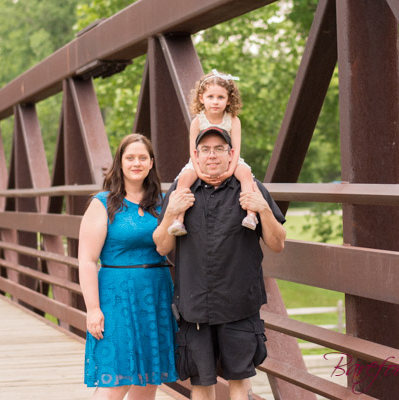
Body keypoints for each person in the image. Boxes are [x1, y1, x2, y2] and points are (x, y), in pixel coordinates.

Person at [153, 127, 286, 400]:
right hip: (194, 306)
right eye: (205, 150)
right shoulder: (181, 190)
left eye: (219, 149)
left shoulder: (251, 188)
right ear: (196, 155)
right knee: (201, 383)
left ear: (231, 154)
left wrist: (262, 209)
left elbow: (277, 243)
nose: (212, 155)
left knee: (239, 380)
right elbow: (162, 246)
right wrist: (171, 213)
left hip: (239, 304)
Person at [78, 133, 178, 399]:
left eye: (142, 158)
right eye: (130, 157)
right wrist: (93, 309)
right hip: (117, 297)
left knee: (147, 380)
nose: (136, 163)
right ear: (120, 163)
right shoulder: (103, 203)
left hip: (156, 295)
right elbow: (87, 260)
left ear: (151, 163)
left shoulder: (164, 202)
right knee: (116, 379)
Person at [167, 69, 258, 237]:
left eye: (220, 97)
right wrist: (199, 171)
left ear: (229, 100)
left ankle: (251, 215)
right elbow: (193, 150)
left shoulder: (233, 120)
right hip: (200, 160)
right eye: (210, 97)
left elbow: (236, 148)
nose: (215, 102)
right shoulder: (197, 121)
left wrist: (230, 171)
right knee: (184, 179)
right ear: (201, 98)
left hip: (230, 158)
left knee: (246, 174)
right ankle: (178, 219)